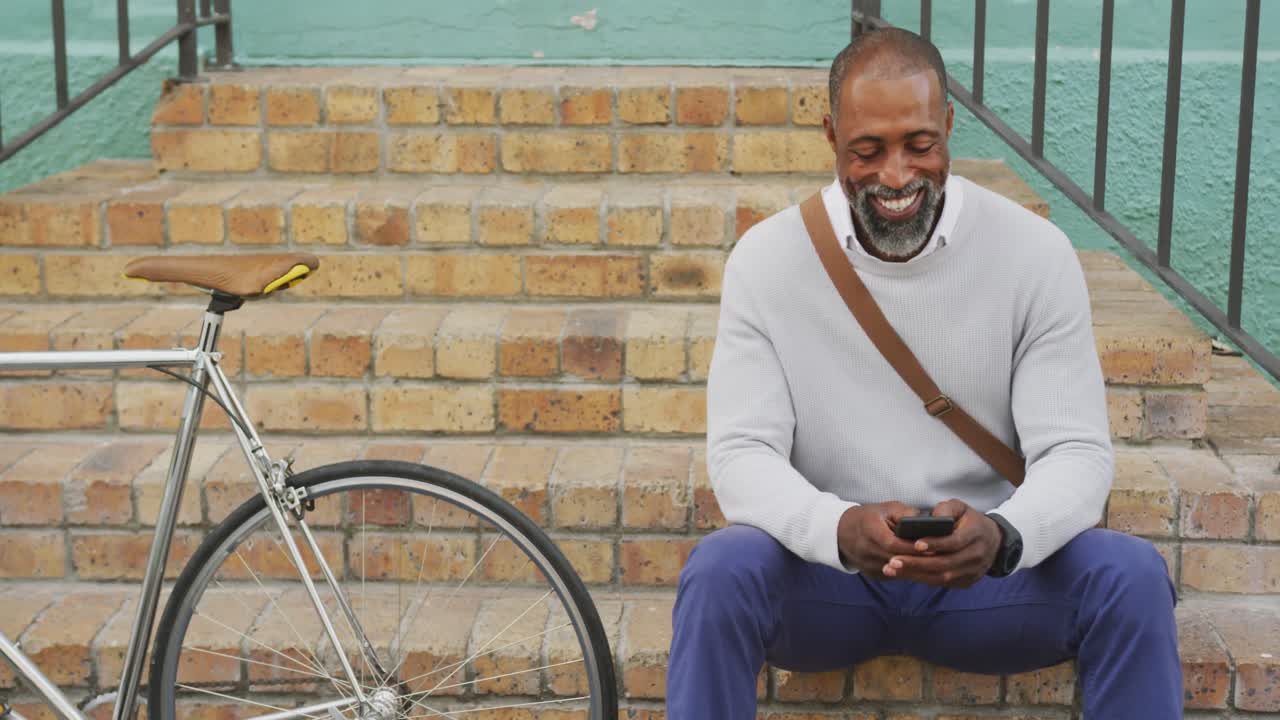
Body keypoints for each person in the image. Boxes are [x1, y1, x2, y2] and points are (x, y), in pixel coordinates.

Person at [666, 27, 1181, 719]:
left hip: (988, 581)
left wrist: (1003, 537)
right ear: (831, 136)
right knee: (721, 571)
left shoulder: (1034, 255)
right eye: (868, 150)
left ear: (947, 126)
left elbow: (1076, 452)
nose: (897, 176)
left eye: (919, 144)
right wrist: (840, 527)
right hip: (830, 580)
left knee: (1132, 575)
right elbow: (741, 455)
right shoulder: (766, 263)